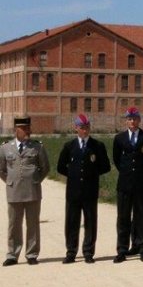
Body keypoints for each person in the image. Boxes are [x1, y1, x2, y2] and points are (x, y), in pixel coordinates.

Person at [56, 113, 111, 264]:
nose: (85, 131)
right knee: (72, 222)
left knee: (90, 222)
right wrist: (73, 175)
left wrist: (91, 174)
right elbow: (61, 167)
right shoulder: (69, 146)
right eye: (82, 128)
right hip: (73, 191)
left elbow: (105, 166)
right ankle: (71, 252)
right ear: (76, 128)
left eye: (87, 128)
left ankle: (88, 251)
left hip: (90, 190)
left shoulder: (97, 146)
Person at [1, 116, 51, 266]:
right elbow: (1, 169)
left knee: (33, 223)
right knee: (14, 224)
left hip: (32, 191)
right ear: (16, 130)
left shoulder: (37, 147)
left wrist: (35, 180)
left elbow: (45, 167)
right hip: (14, 191)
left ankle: (32, 253)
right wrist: (10, 181)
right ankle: (12, 254)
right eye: (24, 128)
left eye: (28, 128)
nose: (27, 131)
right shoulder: (5, 148)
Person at [112, 106, 143, 263]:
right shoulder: (120, 138)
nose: (132, 121)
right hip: (125, 184)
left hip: (141, 184)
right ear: (126, 121)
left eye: (135, 119)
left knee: (141, 217)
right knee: (123, 218)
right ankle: (122, 249)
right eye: (130, 119)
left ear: (139, 120)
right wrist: (127, 172)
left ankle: (142, 248)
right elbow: (117, 160)